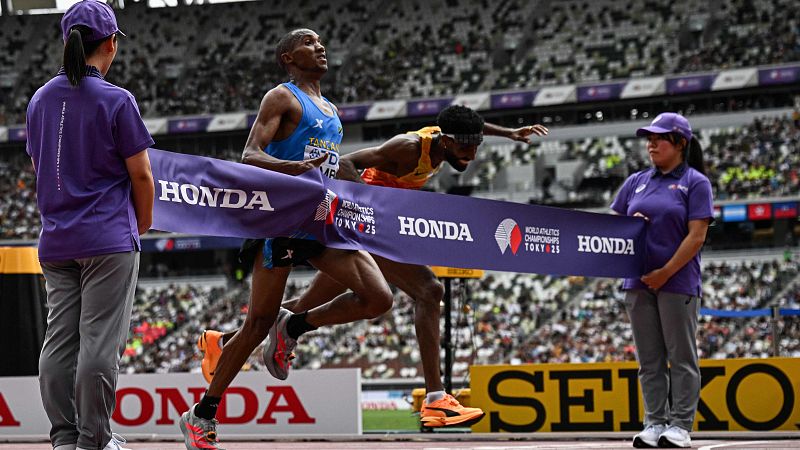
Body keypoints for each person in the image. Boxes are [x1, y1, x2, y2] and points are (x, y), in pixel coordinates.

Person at [197, 105, 548, 428]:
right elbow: (345, 162)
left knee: (301, 306)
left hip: (369, 225)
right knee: (430, 291)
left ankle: (224, 341)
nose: (471, 156)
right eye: (466, 149)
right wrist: (369, 206)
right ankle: (437, 399)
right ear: (448, 140)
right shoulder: (408, 149)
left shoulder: (447, 136)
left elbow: (471, 123)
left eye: (476, 147)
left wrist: (510, 133)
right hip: (365, 223)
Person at [179, 29, 393, 450]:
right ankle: (201, 414)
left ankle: (294, 322)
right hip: (281, 222)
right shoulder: (282, 97)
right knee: (256, 324)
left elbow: (330, 167)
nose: (320, 46)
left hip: (323, 219)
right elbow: (251, 156)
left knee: (379, 298)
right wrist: (295, 170)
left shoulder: (330, 109)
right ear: (287, 57)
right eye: (309, 42)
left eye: (321, 42)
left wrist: (370, 190)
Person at [28, 2, 155, 450]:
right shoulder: (118, 100)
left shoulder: (40, 99)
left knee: (59, 342)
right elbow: (141, 175)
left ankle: (64, 438)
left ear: (69, 43)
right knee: (100, 343)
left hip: (56, 239)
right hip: (108, 238)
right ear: (111, 44)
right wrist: (142, 225)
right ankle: (94, 440)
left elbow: (40, 164)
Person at [610, 113, 713, 448]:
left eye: (659, 138)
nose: (651, 144)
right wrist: (630, 222)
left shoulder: (696, 183)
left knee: (681, 357)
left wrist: (664, 273)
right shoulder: (636, 181)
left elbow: (696, 237)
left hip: (677, 282)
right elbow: (613, 228)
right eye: (648, 138)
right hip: (637, 283)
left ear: (681, 143)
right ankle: (654, 422)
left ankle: (681, 425)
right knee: (649, 360)